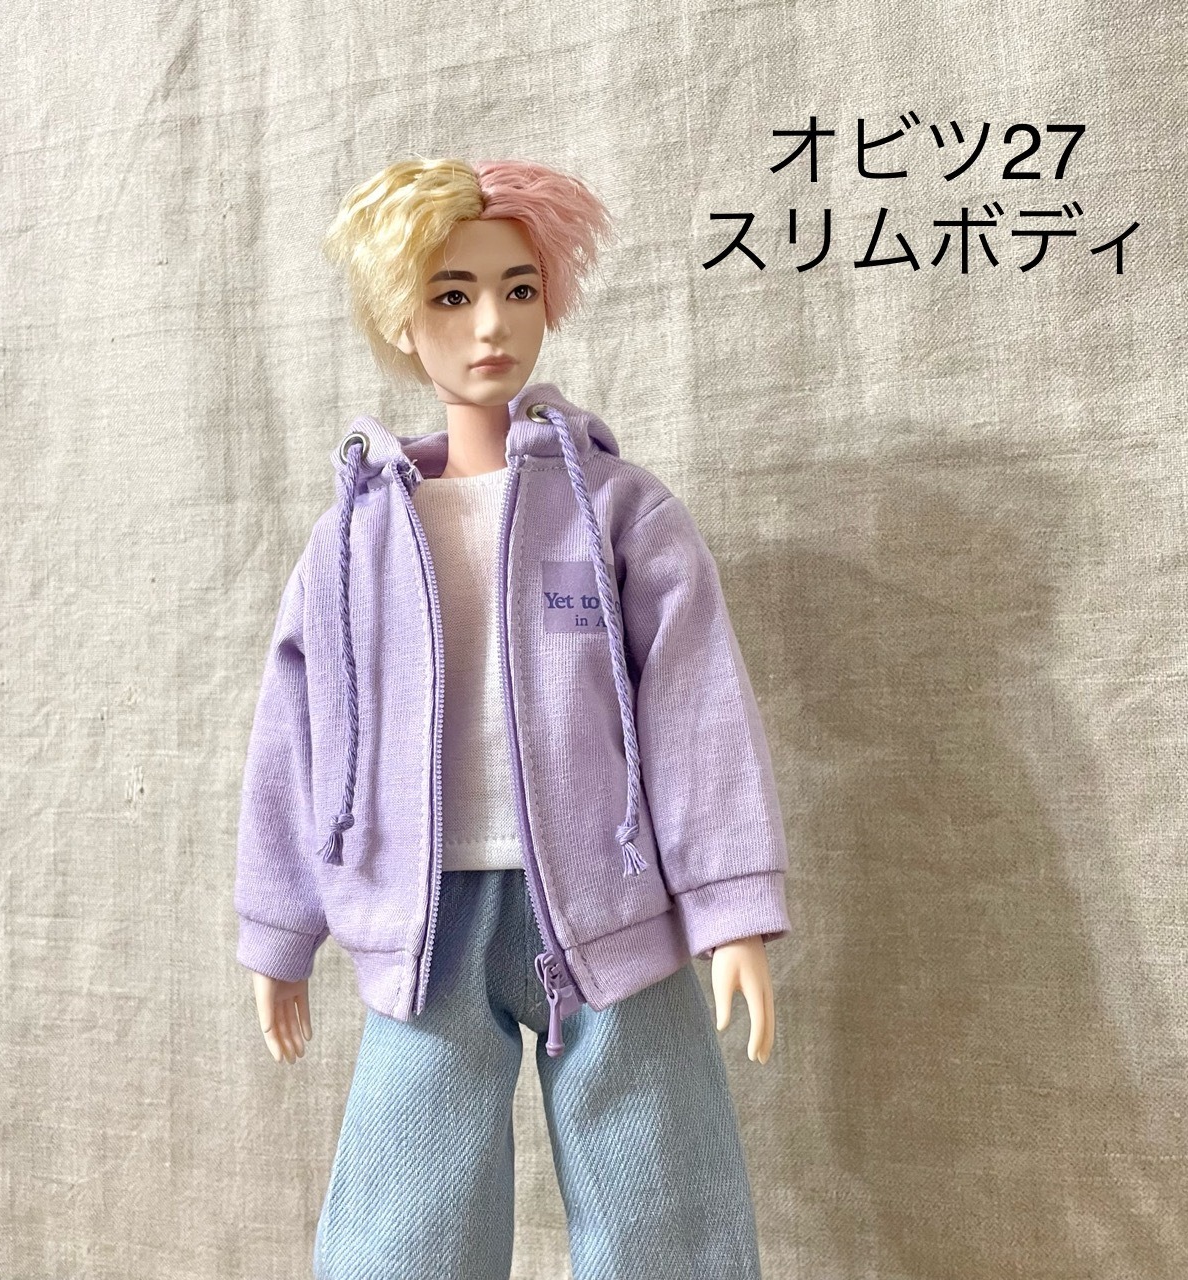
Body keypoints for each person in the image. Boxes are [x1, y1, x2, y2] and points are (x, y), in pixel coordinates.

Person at [233, 156, 792, 1280]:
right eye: (453, 294)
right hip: (423, 919)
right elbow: (299, 734)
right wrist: (278, 928)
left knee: (662, 1199)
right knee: (405, 1223)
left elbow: (693, 709)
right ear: (402, 319)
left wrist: (729, 903)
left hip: (612, 904)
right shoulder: (352, 540)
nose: (491, 322)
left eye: (518, 288)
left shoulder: (619, 512)